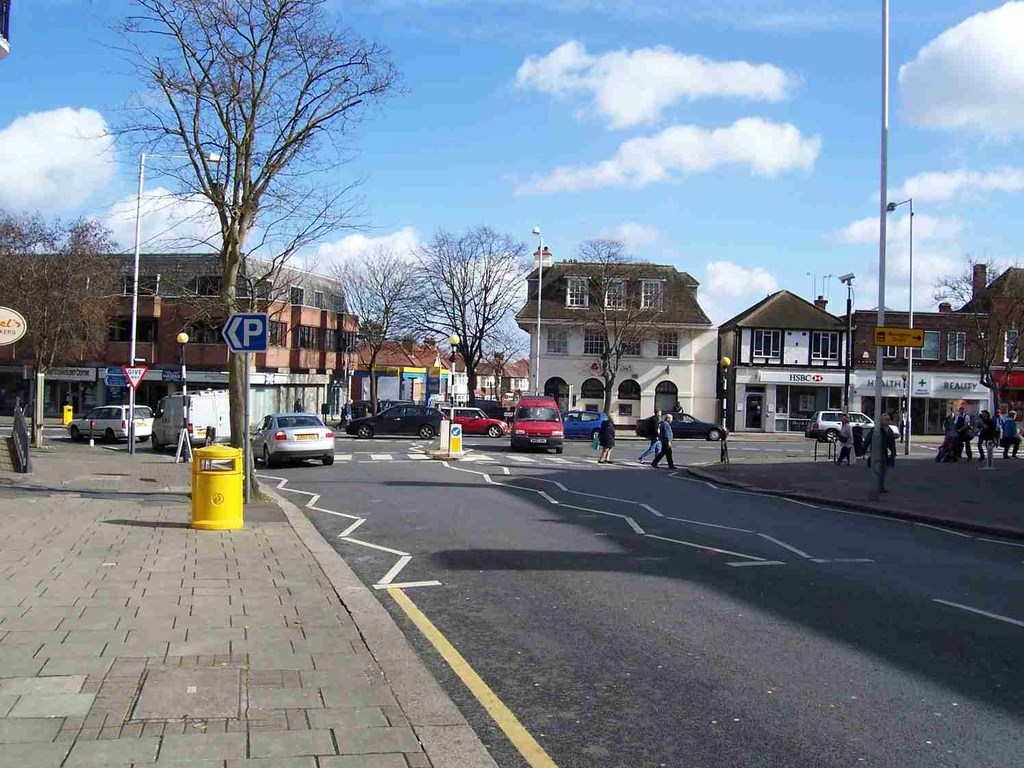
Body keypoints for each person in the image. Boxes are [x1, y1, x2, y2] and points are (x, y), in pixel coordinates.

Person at [864, 413, 897, 492]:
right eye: (886, 420)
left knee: (883, 469)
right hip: (876, 451)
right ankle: (876, 486)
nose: (887, 421)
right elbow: (868, 439)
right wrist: (863, 449)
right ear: (881, 421)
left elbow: (892, 443)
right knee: (877, 469)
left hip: (884, 452)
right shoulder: (877, 429)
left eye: (888, 420)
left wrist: (893, 453)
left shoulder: (889, 430)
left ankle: (880, 486)